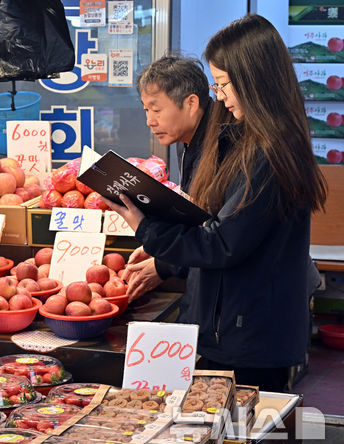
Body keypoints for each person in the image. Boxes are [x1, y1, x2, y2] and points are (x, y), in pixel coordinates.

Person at [106, 14, 327, 392]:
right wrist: (166, 254)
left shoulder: (269, 152)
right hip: (238, 326)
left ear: (253, 80)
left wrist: (147, 228)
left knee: (249, 424)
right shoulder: (256, 140)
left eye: (223, 84)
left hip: (251, 333)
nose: (220, 96)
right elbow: (216, 224)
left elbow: (223, 242)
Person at [123, 56, 231, 302]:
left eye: (156, 110)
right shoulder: (187, 140)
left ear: (191, 103)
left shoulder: (225, 145)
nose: (149, 121)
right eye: (146, 110)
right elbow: (198, 218)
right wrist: (165, 257)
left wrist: (160, 250)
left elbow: (219, 239)